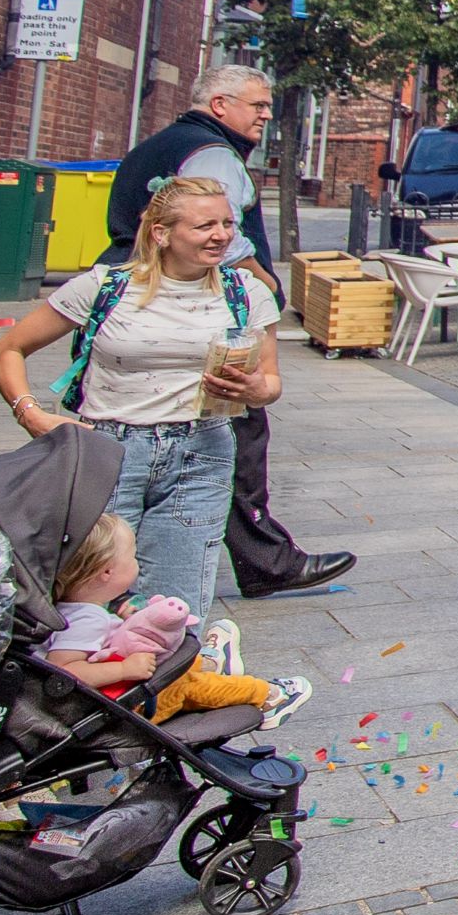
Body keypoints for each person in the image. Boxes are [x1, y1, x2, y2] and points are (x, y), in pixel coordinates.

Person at [0, 175, 286, 615]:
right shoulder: (106, 287)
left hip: (201, 451)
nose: (222, 235)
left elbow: (270, 383)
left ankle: (171, 681)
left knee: (178, 607)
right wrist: (30, 414)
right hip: (107, 450)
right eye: (205, 226)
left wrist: (257, 389)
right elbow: (6, 350)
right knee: (92, 596)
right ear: (162, 233)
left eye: (227, 223)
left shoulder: (248, 294)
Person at [104, 67, 352, 601]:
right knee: (235, 421)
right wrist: (262, 280)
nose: (266, 114)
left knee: (197, 428)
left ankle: (259, 557)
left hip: (146, 297)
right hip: (195, 305)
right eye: (258, 105)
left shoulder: (163, 144)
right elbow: (223, 232)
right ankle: (261, 562)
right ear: (219, 104)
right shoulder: (213, 154)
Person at [44, 513, 304, 727]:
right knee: (188, 686)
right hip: (121, 708)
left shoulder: (74, 609)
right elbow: (64, 672)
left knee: (179, 662)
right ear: (107, 572)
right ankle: (265, 697)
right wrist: (124, 670)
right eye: (132, 557)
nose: (135, 563)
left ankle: (211, 663)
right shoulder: (86, 620)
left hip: (111, 696)